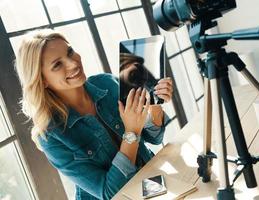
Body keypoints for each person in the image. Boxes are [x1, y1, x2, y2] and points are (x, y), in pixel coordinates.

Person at [15, 29, 173, 200]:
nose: (73, 63)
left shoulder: (107, 83)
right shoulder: (51, 137)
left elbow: (155, 138)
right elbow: (109, 193)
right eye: (57, 65)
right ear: (42, 80)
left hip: (151, 183)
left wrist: (156, 103)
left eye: (70, 52)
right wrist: (132, 132)